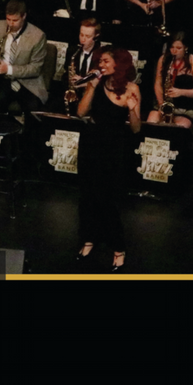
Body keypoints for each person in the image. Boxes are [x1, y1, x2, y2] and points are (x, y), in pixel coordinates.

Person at [75, 47, 140, 272]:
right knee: (88, 195)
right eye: (99, 61)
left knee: (107, 200)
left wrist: (132, 110)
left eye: (105, 61)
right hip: (91, 142)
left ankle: (118, 248)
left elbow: (136, 128)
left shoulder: (132, 89)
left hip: (113, 147)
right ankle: (88, 238)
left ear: (118, 64)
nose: (100, 65)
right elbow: (81, 112)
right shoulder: (97, 83)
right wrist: (91, 87)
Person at [0, 0, 48, 115]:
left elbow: (35, 69)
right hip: (3, 78)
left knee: (32, 108)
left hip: (28, 82)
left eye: (15, 20)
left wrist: (8, 69)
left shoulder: (38, 36)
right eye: (8, 19)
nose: (10, 24)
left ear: (24, 16)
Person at [147, 32, 193, 128]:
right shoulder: (164, 59)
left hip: (185, 107)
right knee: (151, 123)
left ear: (186, 48)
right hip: (165, 104)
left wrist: (180, 92)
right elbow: (158, 84)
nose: (174, 51)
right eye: (172, 47)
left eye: (178, 48)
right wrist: (161, 104)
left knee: (179, 129)